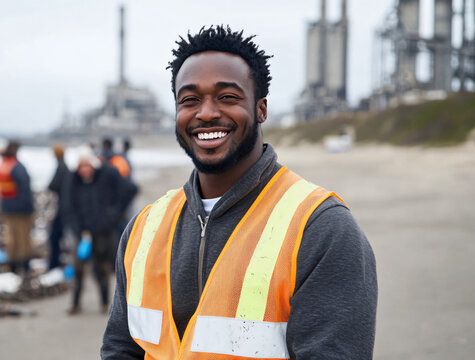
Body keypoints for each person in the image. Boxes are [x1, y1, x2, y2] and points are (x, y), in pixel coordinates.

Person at [101, 26, 377, 359]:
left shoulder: (320, 228)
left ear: (261, 109)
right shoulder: (144, 228)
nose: (206, 113)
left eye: (227, 97)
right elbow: (120, 348)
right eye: (190, 100)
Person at [63, 147, 138, 315]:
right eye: (81, 167)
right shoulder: (72, 180)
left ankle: (105, 304)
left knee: (103, 268)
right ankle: (75, 304)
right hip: (80, 232)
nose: (85, 170)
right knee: (78, 269)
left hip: (103, 230)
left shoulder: (107, 174)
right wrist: (77, 228)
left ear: (93, 165)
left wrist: (115, 213)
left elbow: (130, 189)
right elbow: (67, 206)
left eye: (88, 166)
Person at [0, 139, 35, 275]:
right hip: (22, 210)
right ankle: (24, 266)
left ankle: (12, 265)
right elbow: (26, 190)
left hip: (8, 208)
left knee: (11, 238)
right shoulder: (18, 167)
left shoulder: (2, 167)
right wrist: (30, 209)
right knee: (23, 239)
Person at [46, 144, 70, 270]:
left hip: (62, 208)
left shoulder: (61, 167)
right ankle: (56, 262)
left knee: (54, 237)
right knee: (59, 237)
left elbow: (52, 185)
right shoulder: (64, 166)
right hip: (64, 207)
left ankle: (54, 264)